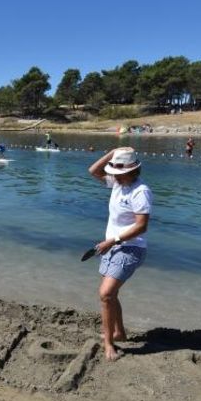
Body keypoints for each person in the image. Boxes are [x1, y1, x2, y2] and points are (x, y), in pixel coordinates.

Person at [88, 147, 152, 362]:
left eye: (118, 171)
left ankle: (108, 344)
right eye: (113, 171)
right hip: (111, 246)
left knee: (105, 294)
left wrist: (112, 241)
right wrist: (113, 152)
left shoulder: (140, 191)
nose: (113, 175)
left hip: (130, 248)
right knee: (111, 295)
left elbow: (141, 226)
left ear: (131, 170)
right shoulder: (117, 183)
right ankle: (119, 333)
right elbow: (93, 170)